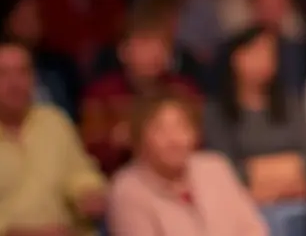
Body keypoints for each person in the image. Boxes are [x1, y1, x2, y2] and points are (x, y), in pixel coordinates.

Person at [0, 37, 107, 235]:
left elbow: (80, 173)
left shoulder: (53, 121)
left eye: (22, 72)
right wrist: (11, 232)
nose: (15, 83)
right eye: (2, 74)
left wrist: (89, 194)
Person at [108, 93, 268, 236]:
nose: (174, 140)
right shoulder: (127, 191)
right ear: (140, 138)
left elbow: (253, 229)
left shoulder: (215, 167)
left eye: (182, 127)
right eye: (160, 130)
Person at [202, 26, 306, 202]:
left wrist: (259, 169)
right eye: (256, 51)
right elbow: (223, 168)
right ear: (236, 57)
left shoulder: (291, 104)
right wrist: (288, 166)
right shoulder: (215, 111)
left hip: (297, 195)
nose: (264, 60)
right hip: (242, 199)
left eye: (270, 54)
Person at [80, 12, 201, 175]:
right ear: (123, 51)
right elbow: (87, 153)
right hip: (118, 178)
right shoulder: (102, 94)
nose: (155, 53)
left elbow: (199, 142)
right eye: (145, 44)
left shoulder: (183, 91)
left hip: (179, 176)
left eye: (162, 45)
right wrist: (115, 141)